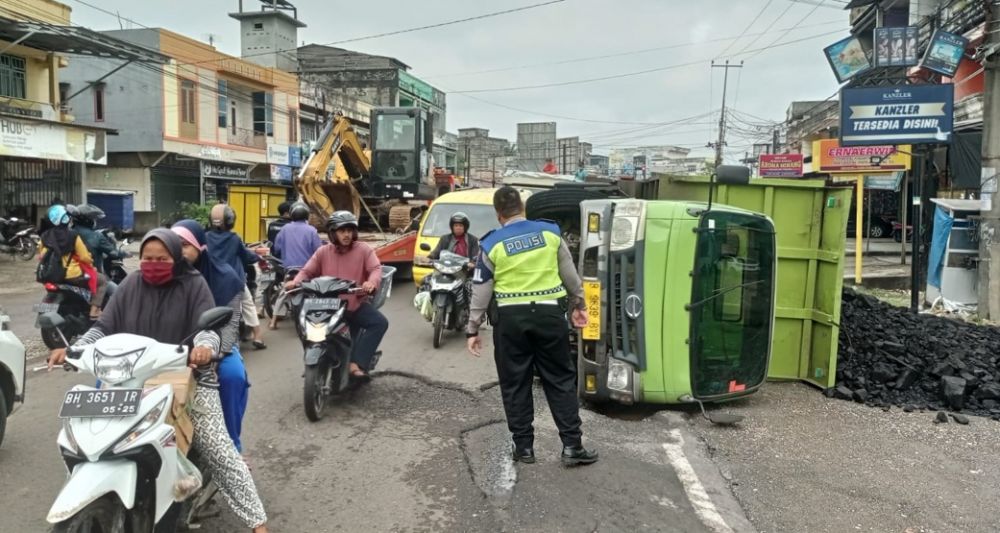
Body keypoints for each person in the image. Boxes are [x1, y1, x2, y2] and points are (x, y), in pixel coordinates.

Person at [48, 230, 269, 532]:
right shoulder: (130, 284)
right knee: (91, 439)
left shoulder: (194, 284)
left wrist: (204, 349)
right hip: (131, 377)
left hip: (188, 375)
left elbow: (208, 328)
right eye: (147, 259)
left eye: (162, 259)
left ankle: (257, 523)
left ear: (176, 258)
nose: (153, 264)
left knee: (219, 449)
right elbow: (104, 326)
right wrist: (76, 350)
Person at [466, 186, 598, 466]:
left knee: (515, 383)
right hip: (550, 316)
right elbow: (570, 274)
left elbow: (481, 289)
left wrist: (473, 328)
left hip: (511, 320)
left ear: (498, 214)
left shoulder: (491, 243)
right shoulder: (550, 233)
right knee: (560, 380)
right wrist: (579, 305)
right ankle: (572, 446)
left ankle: (524, 448)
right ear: (523, 208)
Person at [172, 220, 251, 455]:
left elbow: (230, 325)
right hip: (172, 346)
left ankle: (232, 448)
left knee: (233, 376)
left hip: (218, 349)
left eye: (185, 245)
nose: (180, 251)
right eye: (175, 245)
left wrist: (216, 356)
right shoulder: (162, 276)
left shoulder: (225, 277)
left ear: (200, 246)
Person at [286, 211, 388, 378]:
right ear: (333, 232)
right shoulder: (323, 251)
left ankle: (357, 362)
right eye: (342, 231)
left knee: (380, 323)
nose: (346, 234)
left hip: (354, 305)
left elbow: (375, 269)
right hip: (326, 306)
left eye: (349, 230)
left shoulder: (364, 250)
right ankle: (313, 358)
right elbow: (307, 271)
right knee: (305, 324)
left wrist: (371, 283)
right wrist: (295, 282)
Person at [206, 204, 268, 350]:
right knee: (248, 305)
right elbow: (246, 256)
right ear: (230, 220)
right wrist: (258, 256)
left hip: (211, 280)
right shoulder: (233, 238)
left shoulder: (206, 237)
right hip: (233, 281)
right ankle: (257, 337)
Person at [39, 205, 106, 320]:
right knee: (102, 281)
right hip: (72, 276)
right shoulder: (73, 235)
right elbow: (84, 257)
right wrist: (91, 265)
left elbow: (42, 256)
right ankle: (94, 311)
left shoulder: (44, 237)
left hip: (50, 275)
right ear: (66, 219)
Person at [270, 202, 322, 329]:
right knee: (317, 291)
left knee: (283, 292)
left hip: (289, 268)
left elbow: (276, 248)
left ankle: (273, 321)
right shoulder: (312, 230)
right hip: (308, 269)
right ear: (307, 215)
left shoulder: (285, 229)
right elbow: (319, 251)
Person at [70, 204, 123, 276]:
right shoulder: (96, 236)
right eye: (94, 219)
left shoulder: (67, 232)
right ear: (87, 220)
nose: (95, 222)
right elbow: (113, 253)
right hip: (91, 274)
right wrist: (125, 253)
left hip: (69, 274)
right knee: (113, 287)